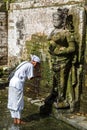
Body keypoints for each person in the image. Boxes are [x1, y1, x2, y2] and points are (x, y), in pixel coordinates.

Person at [48, 8, 77, 109]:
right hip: (53, 59)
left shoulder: (67, 33)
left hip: (63, 61)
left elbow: (72, 48)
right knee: (54, 80)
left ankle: (62, 100)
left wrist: (61, 51)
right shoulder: (53, 31)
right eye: (53, 20)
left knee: (62, 81)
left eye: (56, 20)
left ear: (62, 21)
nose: (54, 22)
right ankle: (55, 96)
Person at [7, 54, 40, 124]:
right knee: (18, 102)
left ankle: (15, 120)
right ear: (35, 62)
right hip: (17, 83)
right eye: (37, 65)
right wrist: (37, 75)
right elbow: (30, 77)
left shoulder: (24, 62)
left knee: (12, 101)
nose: (37, 66)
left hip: (12, 82)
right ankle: (19, 120)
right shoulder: (30, 65)